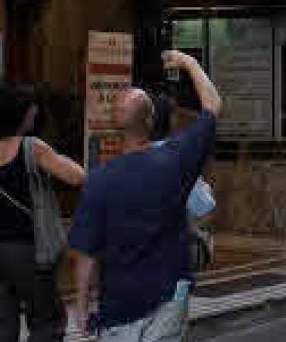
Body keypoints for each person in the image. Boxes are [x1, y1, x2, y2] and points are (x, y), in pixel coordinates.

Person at [68, 51, 222, 340]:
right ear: (150, 120)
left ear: (115, 127)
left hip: (118, 305)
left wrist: (81, 303)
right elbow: (212, 105)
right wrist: (189, 63)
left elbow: (86, 252)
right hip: (168, 297)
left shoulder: (98, 180)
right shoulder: (175, 160)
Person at [0, 83, 87, 342]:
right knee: (46, 324)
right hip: (28, 249)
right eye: (31, 106)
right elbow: (77, 177)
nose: (35, 110)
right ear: (19, 113)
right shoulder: (32, 147)